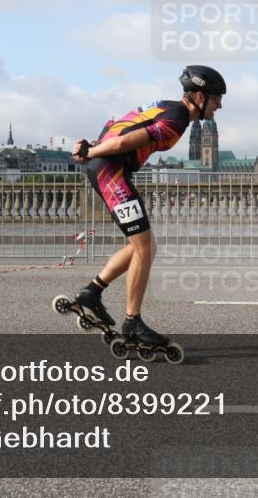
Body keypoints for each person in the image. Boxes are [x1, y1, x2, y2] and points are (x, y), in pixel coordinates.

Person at [70, 66, 226, 346]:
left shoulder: (166, 106)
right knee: (144, 247)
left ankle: (92, 292)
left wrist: (91, 147)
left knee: (143, 246)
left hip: (109, 169)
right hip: (111, 172)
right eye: (217, 99)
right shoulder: (177, 118)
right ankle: (133, 322)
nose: (220, 105)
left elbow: (119, 125)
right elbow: (129, 139)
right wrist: (91, 151)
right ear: (200, 97)